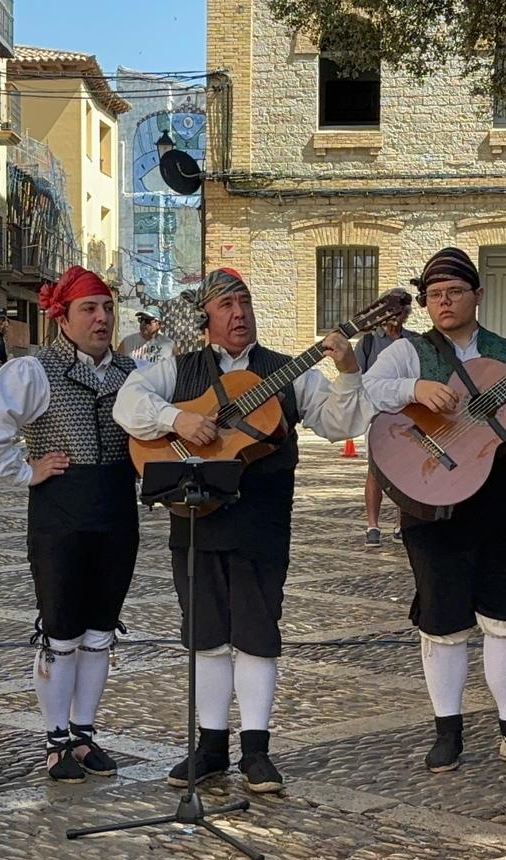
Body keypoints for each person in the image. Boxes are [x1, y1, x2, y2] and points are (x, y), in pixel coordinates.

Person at [113, 267, 373, 793]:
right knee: (206, 636)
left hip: (261, 518)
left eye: (246, 303)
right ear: (206, 316)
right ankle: (209, 748)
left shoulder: (288, 371)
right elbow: (128, 406)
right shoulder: (175, 368)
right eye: (227, 304)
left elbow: (342, 425)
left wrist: (347, 370)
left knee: (257, 633)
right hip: (195, 514)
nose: (239, 313)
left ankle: (256, 750)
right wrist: (177, 421)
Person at [363, 248, 506, 775]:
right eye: (434, 295)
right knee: (443, 618)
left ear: (478, 295)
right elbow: (368, 389)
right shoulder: (410, 352)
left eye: (454, 292)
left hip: (501, 495)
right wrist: (414, 388)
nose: (443, 302)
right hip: (433, 497)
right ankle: (448, 732)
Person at [0, 266, 139, 784]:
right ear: (62, 315)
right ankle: (56, 740)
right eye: (89, 308)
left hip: (116, 510)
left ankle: (84, 734)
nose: (101, 317)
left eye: (107, 307)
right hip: (60, 510)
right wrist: (25, 470)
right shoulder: (33, 370)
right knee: (61, 627)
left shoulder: (132, 373)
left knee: (102, 628)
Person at [357, 287, 419, 546]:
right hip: (378, 416)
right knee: (375, 470)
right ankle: (372, 525)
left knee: (404, 470)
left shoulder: (415, 341)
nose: (397, 314)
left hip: (409, 415)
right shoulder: (369, 342)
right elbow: (357, 380)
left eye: (402, 309)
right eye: (393, 309)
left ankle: (400, 523)